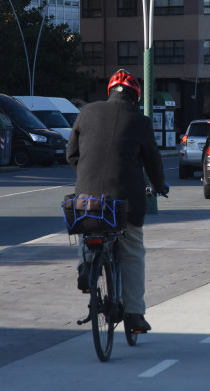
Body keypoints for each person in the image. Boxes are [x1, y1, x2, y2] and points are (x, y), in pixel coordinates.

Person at [66, 69, 167, 333]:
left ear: (109, 92)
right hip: (124, 202)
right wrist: (159, 186)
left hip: (87, 197)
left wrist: (86, 176)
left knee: (85, 225)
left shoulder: (86, 112)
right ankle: (134, 315)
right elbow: (153, 162)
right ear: (135, 98)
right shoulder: (140, 121)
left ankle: (86, 269)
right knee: (132, 251)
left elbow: (71, 153)